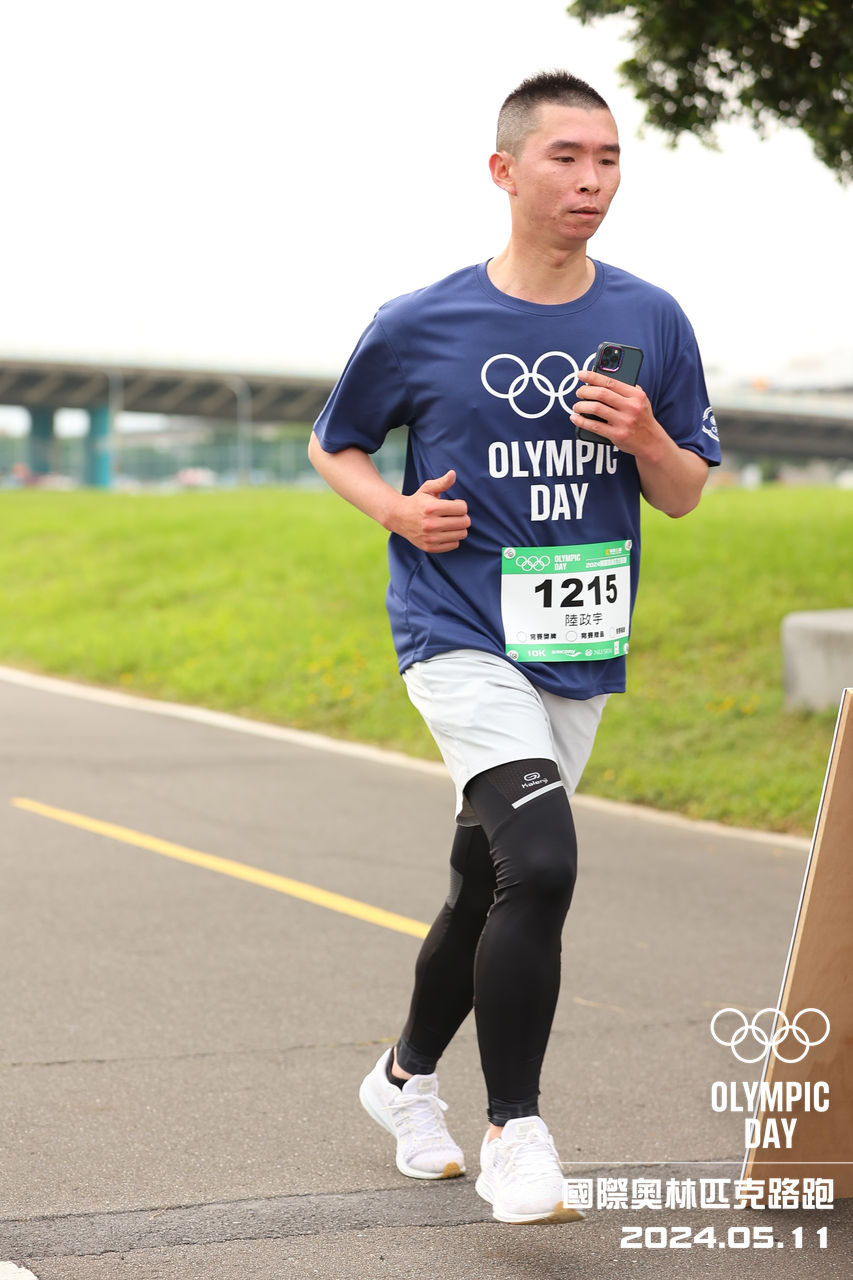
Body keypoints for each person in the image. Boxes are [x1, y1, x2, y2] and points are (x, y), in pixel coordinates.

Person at [308, 69, 721, 1225]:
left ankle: (401, 1078)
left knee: (486, 879)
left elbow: (682, 490)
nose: (592, 179)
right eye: (566, 157)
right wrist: (395, 512)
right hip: (455, 630)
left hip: (576, 638)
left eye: (608, 158)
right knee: (542, 862)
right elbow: (335, 441)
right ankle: (516, 1130)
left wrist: (645, 435)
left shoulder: (650, 317)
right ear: (504, 170)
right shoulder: (420, 320)